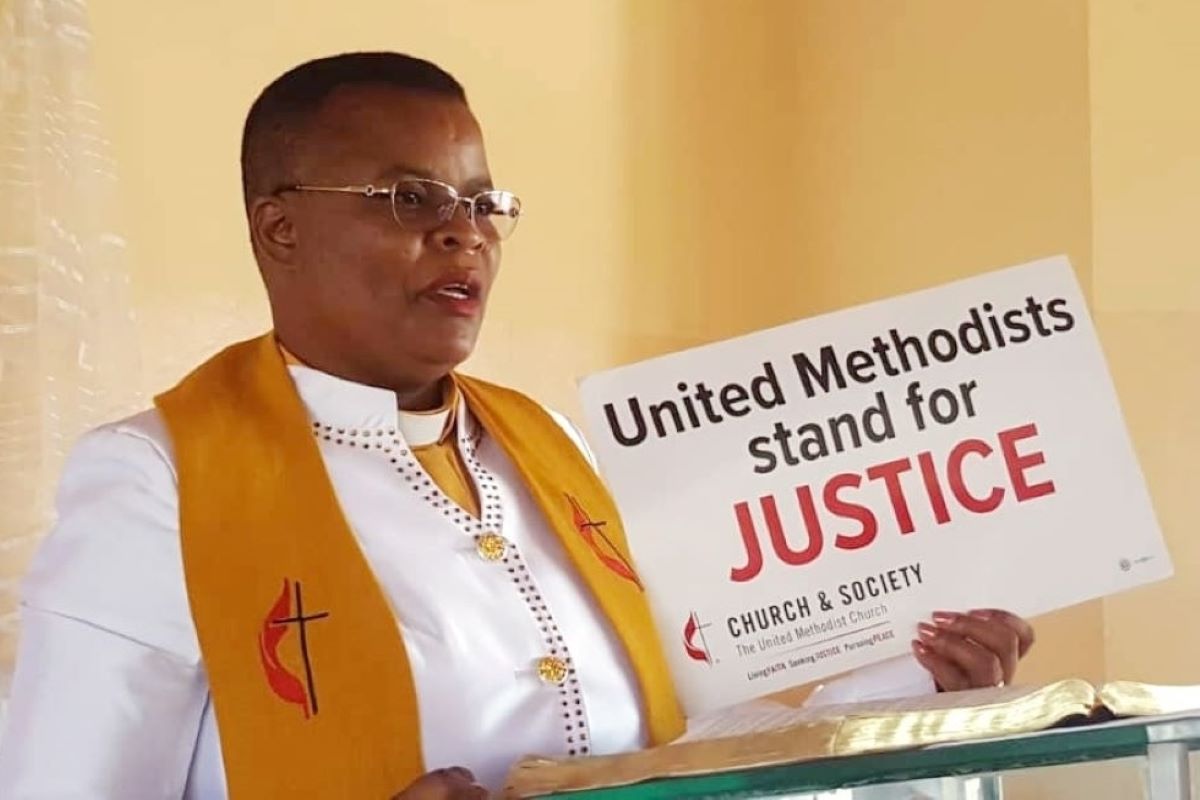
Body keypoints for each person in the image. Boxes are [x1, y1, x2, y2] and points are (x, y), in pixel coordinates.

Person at [0, 52, 1034, 799]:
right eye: (410, 199)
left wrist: (915, 680)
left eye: (483, 202)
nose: (465, 233)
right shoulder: (162, 481)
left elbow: (666, 755)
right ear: (281, 227)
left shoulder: (551, 451)